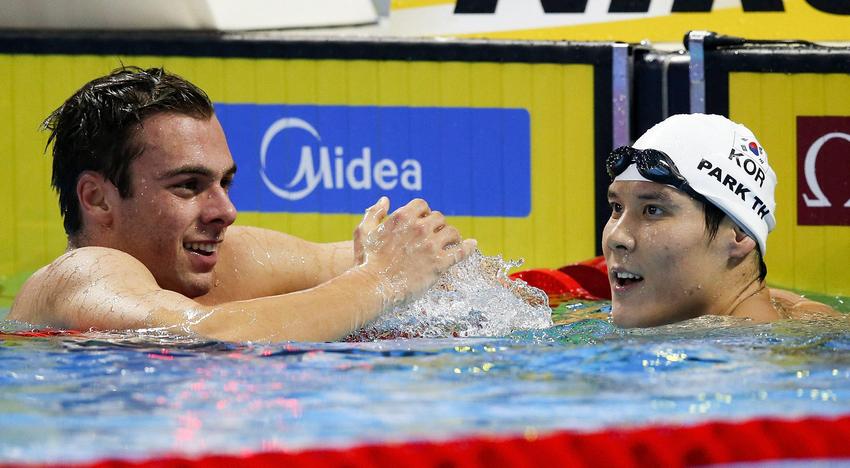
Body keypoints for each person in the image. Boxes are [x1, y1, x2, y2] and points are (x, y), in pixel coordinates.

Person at [9, 66, 475, 342]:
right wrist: (381, 281)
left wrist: (427, 264)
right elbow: (203, 336)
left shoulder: (230, 261)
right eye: (188, 185)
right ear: (98, 199)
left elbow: (371, 265)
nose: (224, 211)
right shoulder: (82, 276)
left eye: (224, 183)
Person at [602, 113, 837, 328]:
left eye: (653, 210)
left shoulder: (747, 357)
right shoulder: (780, 316)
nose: (616, 237)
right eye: (617, 208)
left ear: (739, 233)